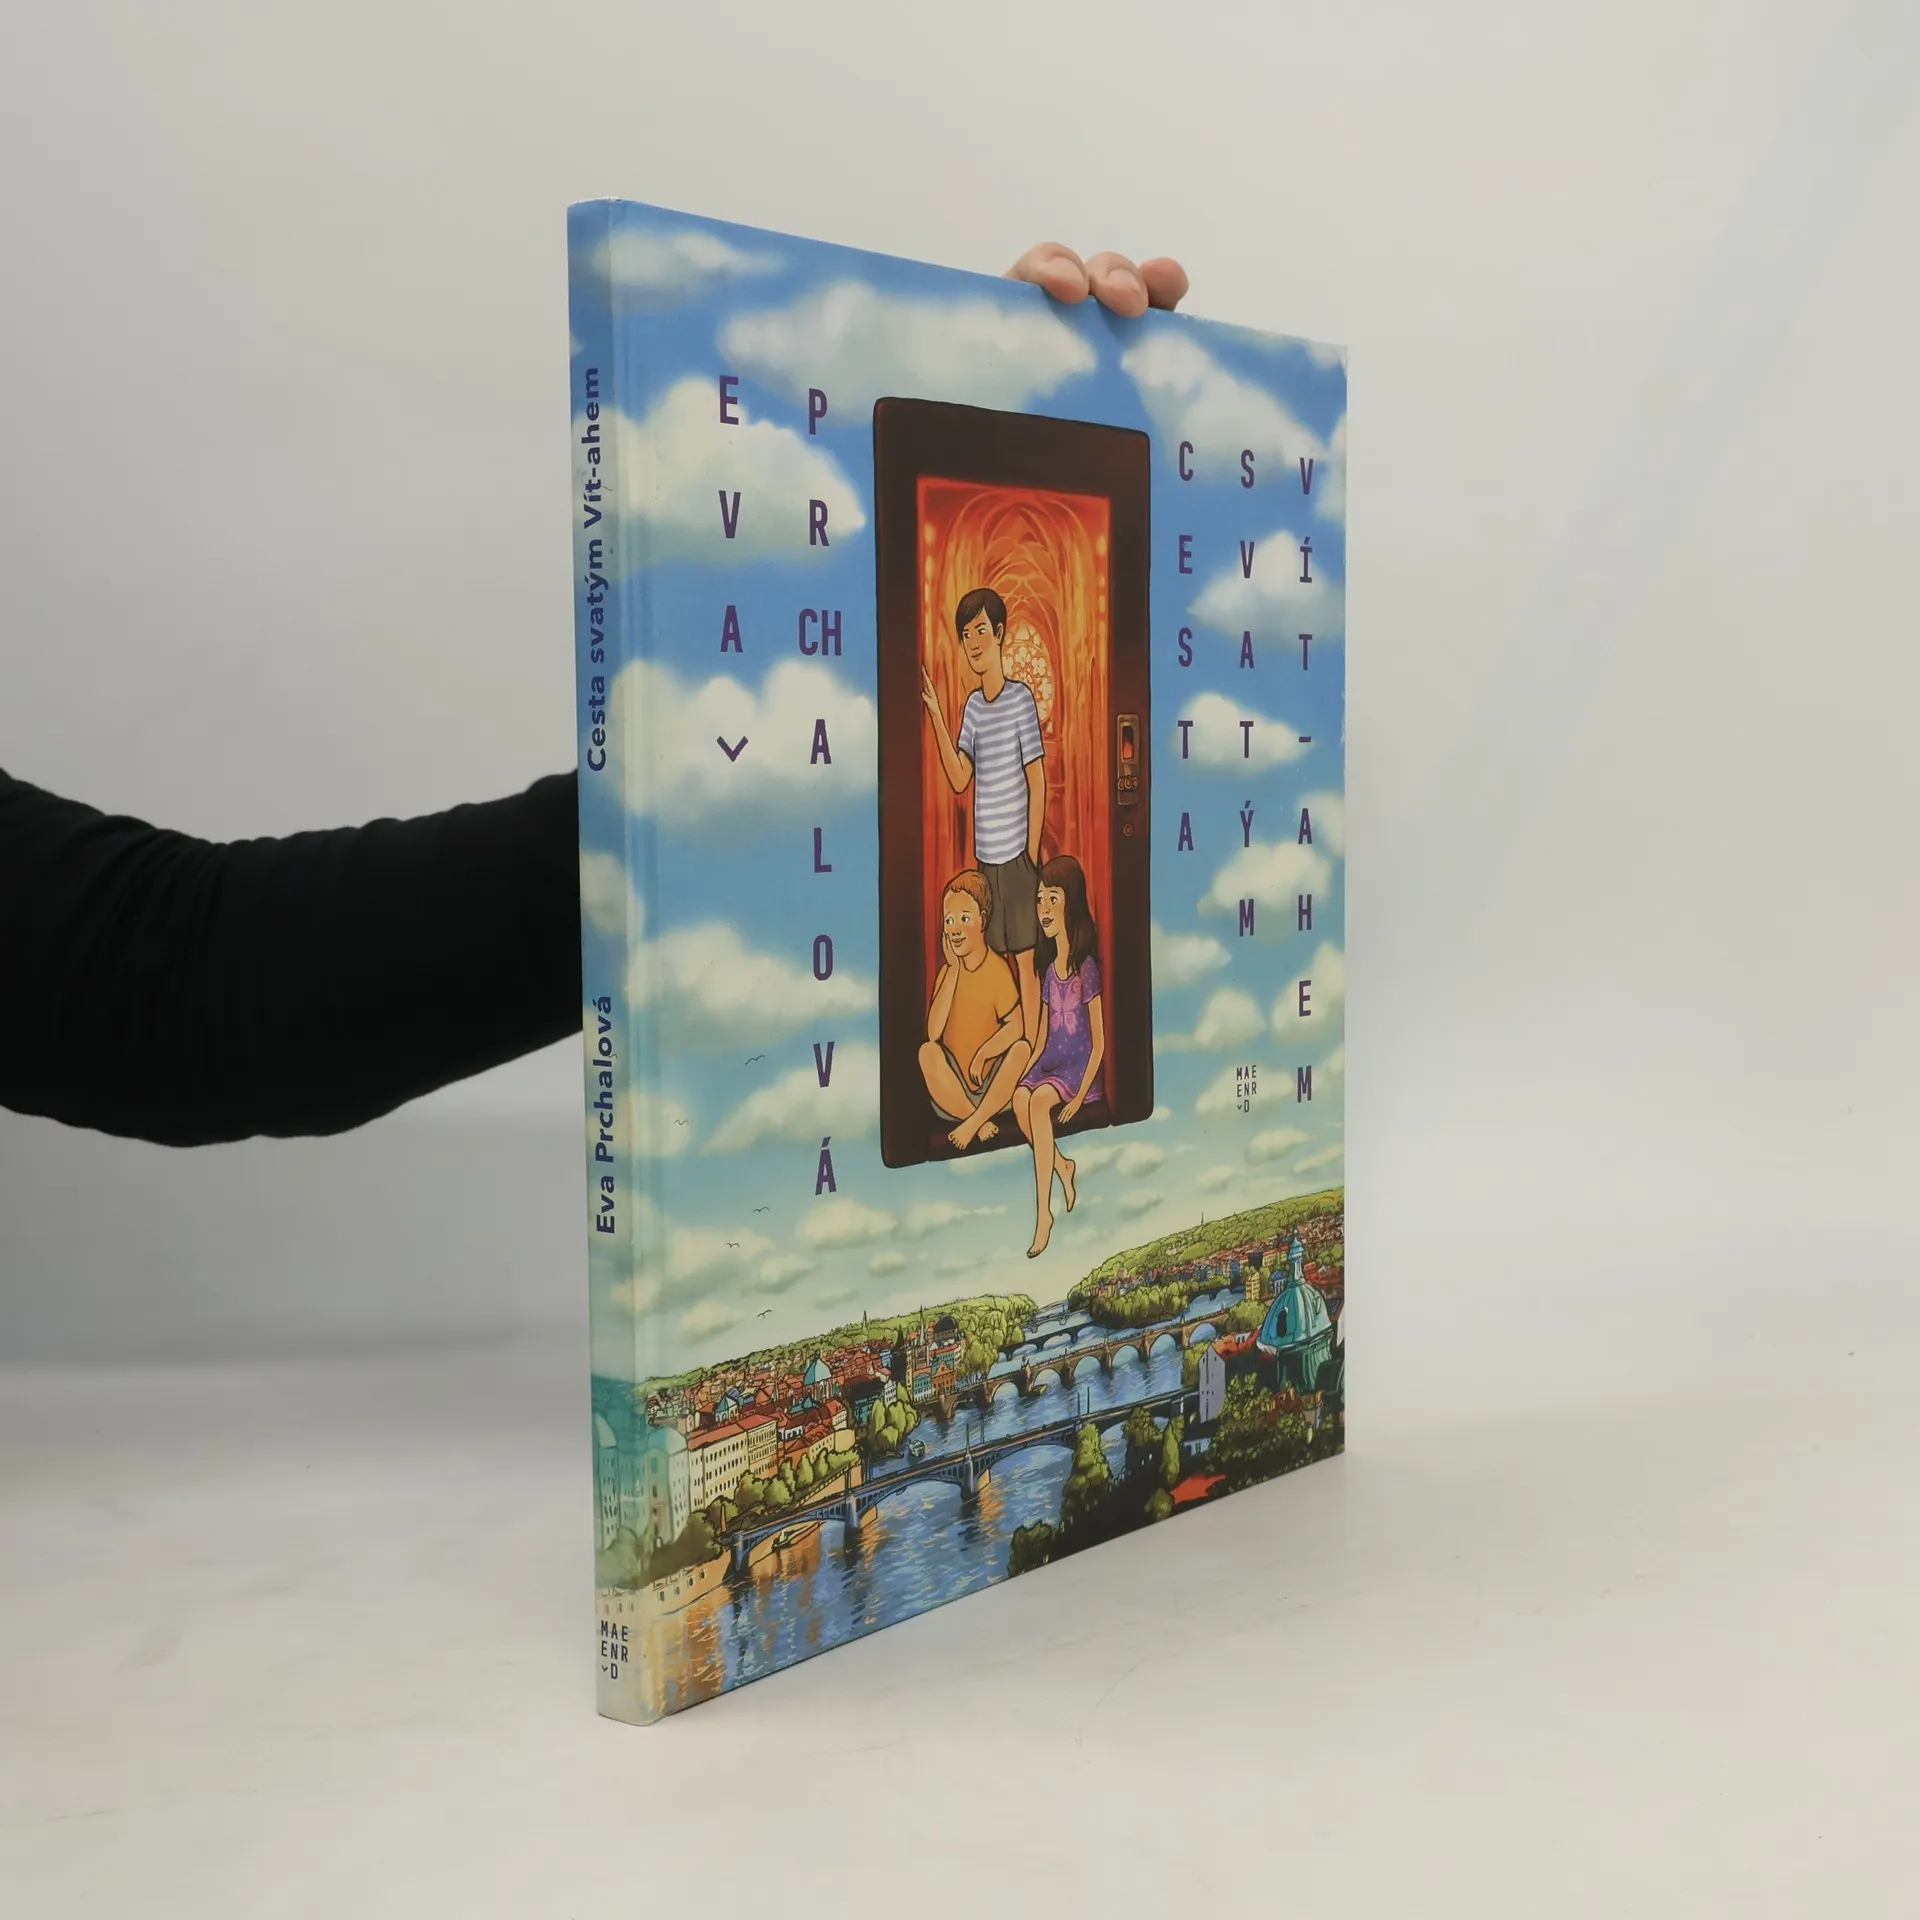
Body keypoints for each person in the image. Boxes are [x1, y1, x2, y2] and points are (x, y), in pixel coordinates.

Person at [0, 242, 1187, 1146]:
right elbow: (173, 987)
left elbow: (175, 983)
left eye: (981, 640)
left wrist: (740, 796)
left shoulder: (1023, 728)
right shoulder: (971, 721)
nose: (974, 653)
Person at [920, 586, 1046, 1046]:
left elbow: (1037, 781)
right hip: (985, 858)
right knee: (993, 965)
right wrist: (937, 715)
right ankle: (1005, 1052)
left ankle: (1031, 1053)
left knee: (1026, 963)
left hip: (1017, 857)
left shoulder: (1021, 700)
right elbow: (959, 778)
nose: (972, 643)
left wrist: (1031, 854)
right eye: (965, 634)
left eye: (979, 631)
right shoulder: (973, 707)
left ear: (999, 633)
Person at [1012, 854, 1106, 1260]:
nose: (1044, 908)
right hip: (1050, 1061)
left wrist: (1079, 1096)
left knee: (1037, 1103)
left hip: (1078, 1069)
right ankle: (1063, 1165)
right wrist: (1024, 1071)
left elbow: (1099, 1043)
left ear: (1071, 902)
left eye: (1053, 897)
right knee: (1021, 1098)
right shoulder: (1050, 972)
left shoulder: (1087, 969)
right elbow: (1041, 1038)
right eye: (1040, 900)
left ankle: (1043, 1216)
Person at [918, 869, 1030, 1151]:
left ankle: (975, 1121)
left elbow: (1016, 1027)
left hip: (994, 1087)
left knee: (1022, 1050)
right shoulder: (947, 973)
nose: (955, 928)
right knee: (927, 1053)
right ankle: (977, 1120)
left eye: (964, 919)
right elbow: (933, 1034)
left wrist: (984, 1054)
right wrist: (954, 971)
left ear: (982, 919)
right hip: (955, 1093)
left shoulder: (997, 969)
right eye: (949, 920)